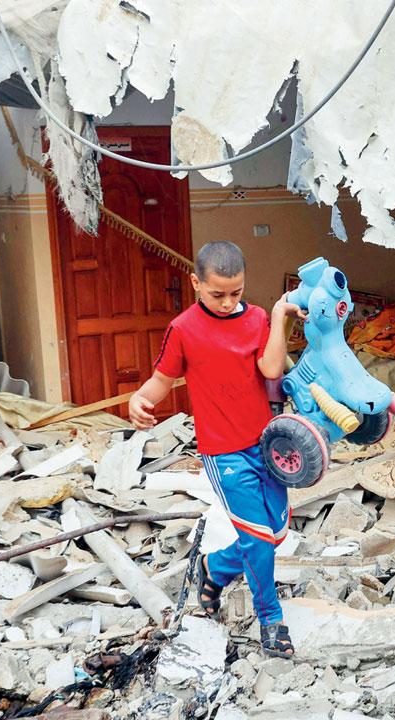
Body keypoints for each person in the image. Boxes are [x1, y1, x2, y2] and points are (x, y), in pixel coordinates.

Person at [128, 240, 305, 658]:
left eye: (236, 293)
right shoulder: (184, 329)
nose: (227, 303)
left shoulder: (259, 317)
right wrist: (139, 399)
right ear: (195, 283)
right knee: (259, 539)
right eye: (217, 294)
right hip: (223, 453)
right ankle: (271, 621)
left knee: (276, 531)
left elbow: (271, 369)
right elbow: (162, 380)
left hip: (266, 446)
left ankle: (214, 568)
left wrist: (278, 316)